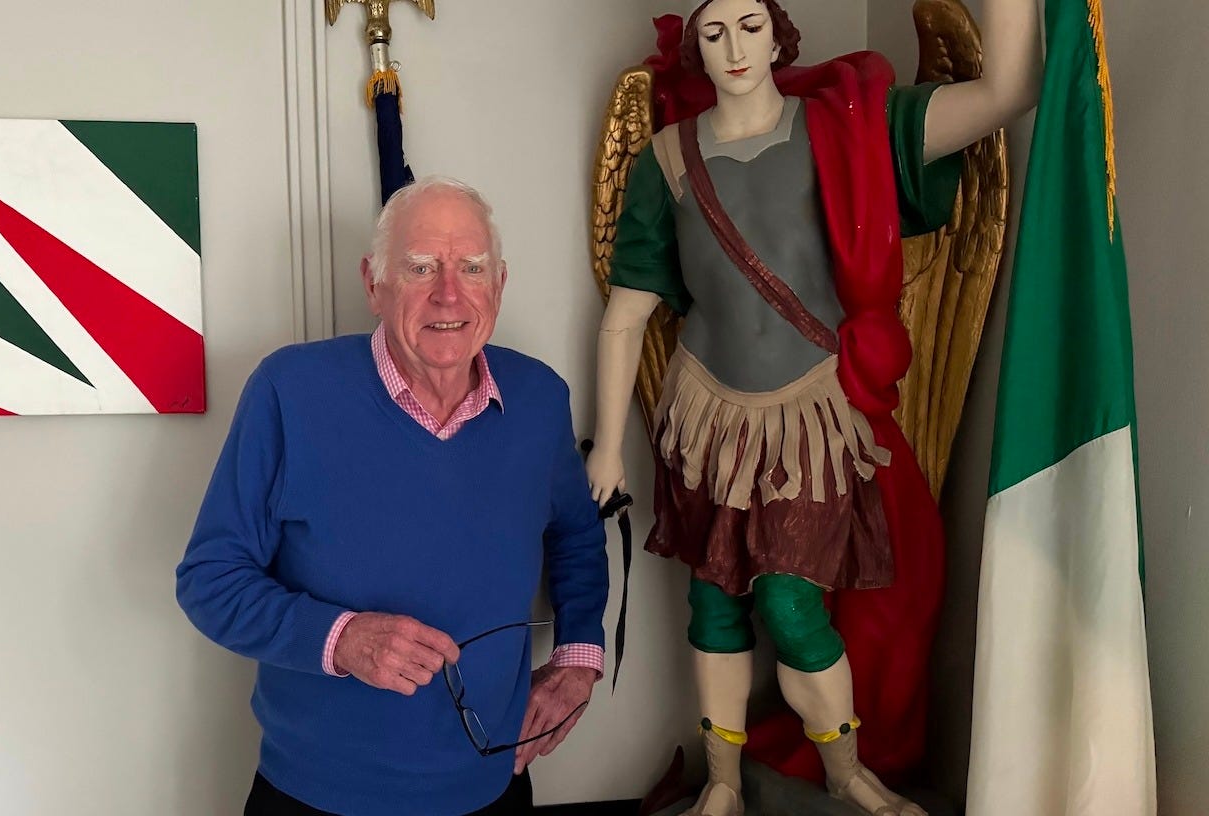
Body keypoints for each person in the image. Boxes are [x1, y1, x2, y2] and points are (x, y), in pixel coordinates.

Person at [585, 1, 1040, 814]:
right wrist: (609, 448)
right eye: (713, 32)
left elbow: (1007, 93)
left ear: (778, 34)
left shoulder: (848, 129)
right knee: (712, 605)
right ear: (694, 48)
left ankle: (846, 772)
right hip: (705, 419)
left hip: (811, 421)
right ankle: (722, 782)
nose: (734, 47)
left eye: (749, 26)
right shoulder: (667, 159)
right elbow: (626, 315)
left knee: (792, 606)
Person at [176, 176, 609, 816]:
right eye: (420, 267)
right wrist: (342, 639)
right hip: (316, 796)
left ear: (499, 284)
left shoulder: (540, 397)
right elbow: (210, 580)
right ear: (373, 283)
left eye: (472, 268)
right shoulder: (289, 391)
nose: (449, 293)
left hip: (492, 786)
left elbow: (576, 534)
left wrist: (578, 657)